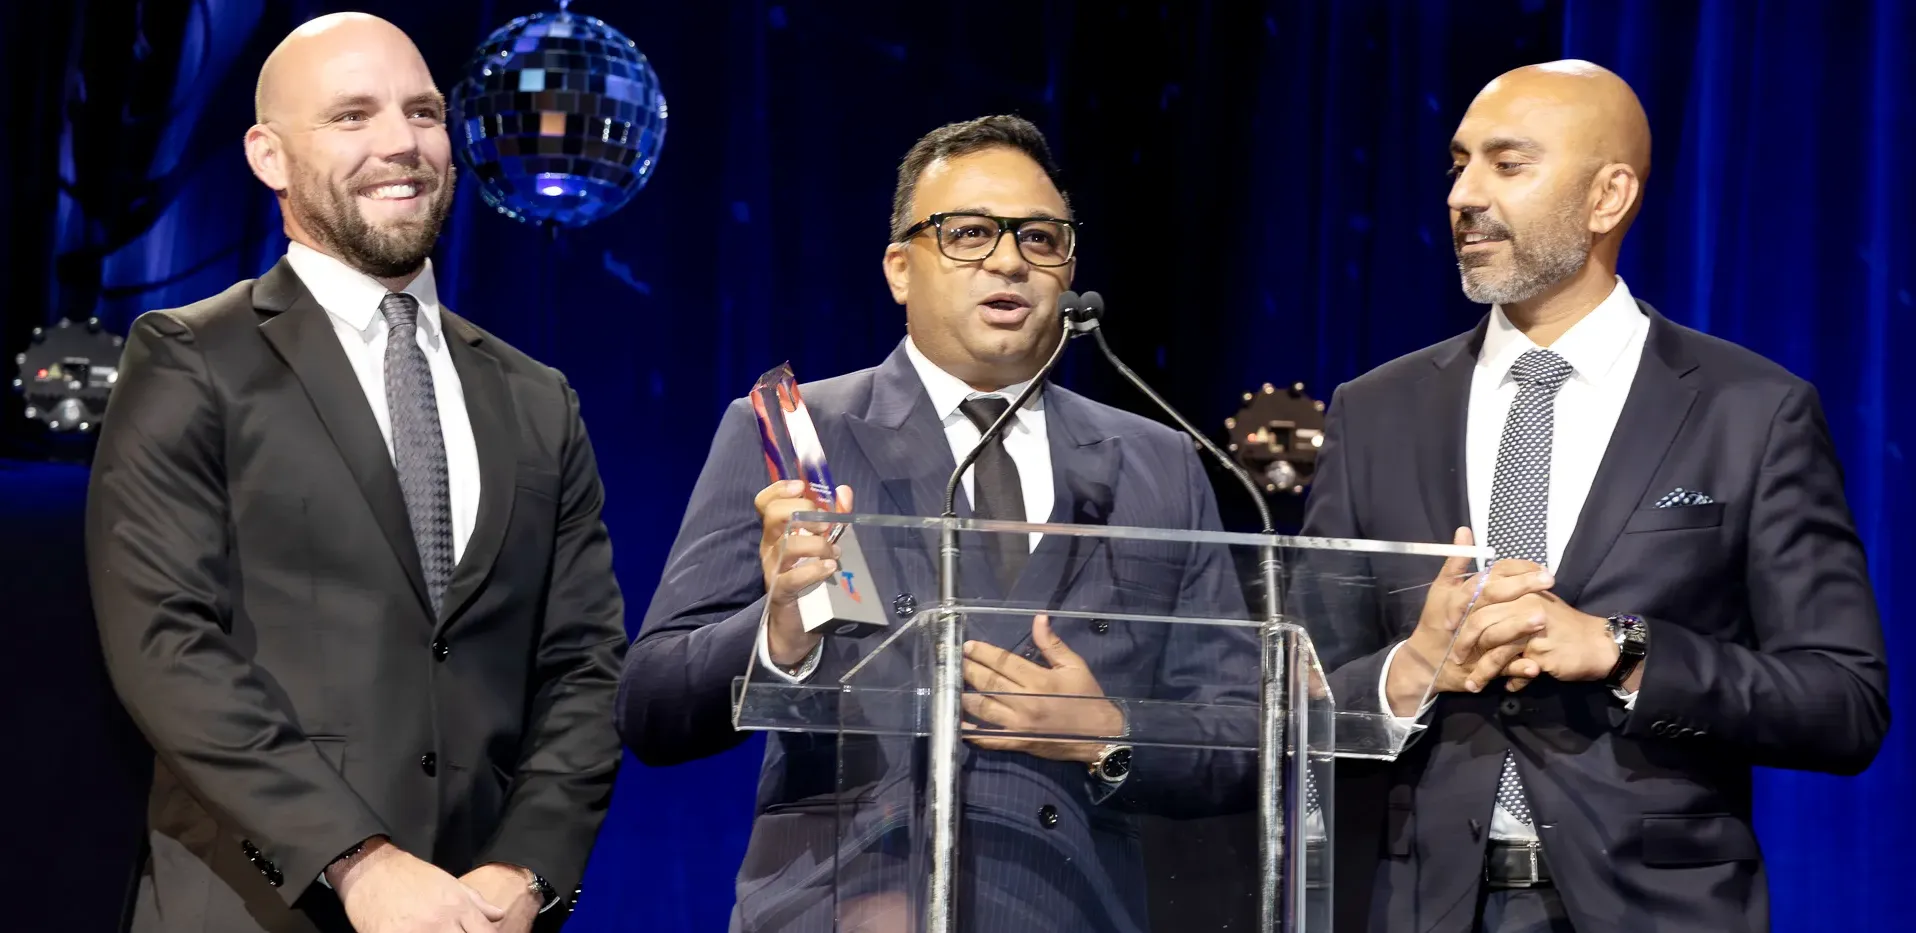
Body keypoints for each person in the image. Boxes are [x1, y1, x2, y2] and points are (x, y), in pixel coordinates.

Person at [616, 115, 1256, 932]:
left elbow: (1242, 735)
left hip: (1066, 908)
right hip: (847, 908)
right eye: (969, 233)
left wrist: (1108, 733)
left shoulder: (1155, 460)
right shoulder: (794, 431)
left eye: (1040, 237)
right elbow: (653, 707)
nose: (1008, 260)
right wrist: (776, 631)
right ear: (898, 269)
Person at [1304, 61, 1889, 933]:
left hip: (1656, 909)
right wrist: (1409, 670)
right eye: (1458, 164)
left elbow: (1842, 702)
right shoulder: (1376, 409)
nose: (1464, 193)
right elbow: (1288, 693)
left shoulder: (1751, 410)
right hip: (1416, 907)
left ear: (1608, 195)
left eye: (1508, 164)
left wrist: (1624, 651)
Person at [87, 13, 627, 933]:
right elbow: (166, 645)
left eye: (423, 112)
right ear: (269, 157)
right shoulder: (191, 358)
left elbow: (585, 665)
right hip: (252, 904)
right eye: (352, 116)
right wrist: (357, 859)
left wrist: (527, 871)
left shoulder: (540, 398)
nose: (400, 144)